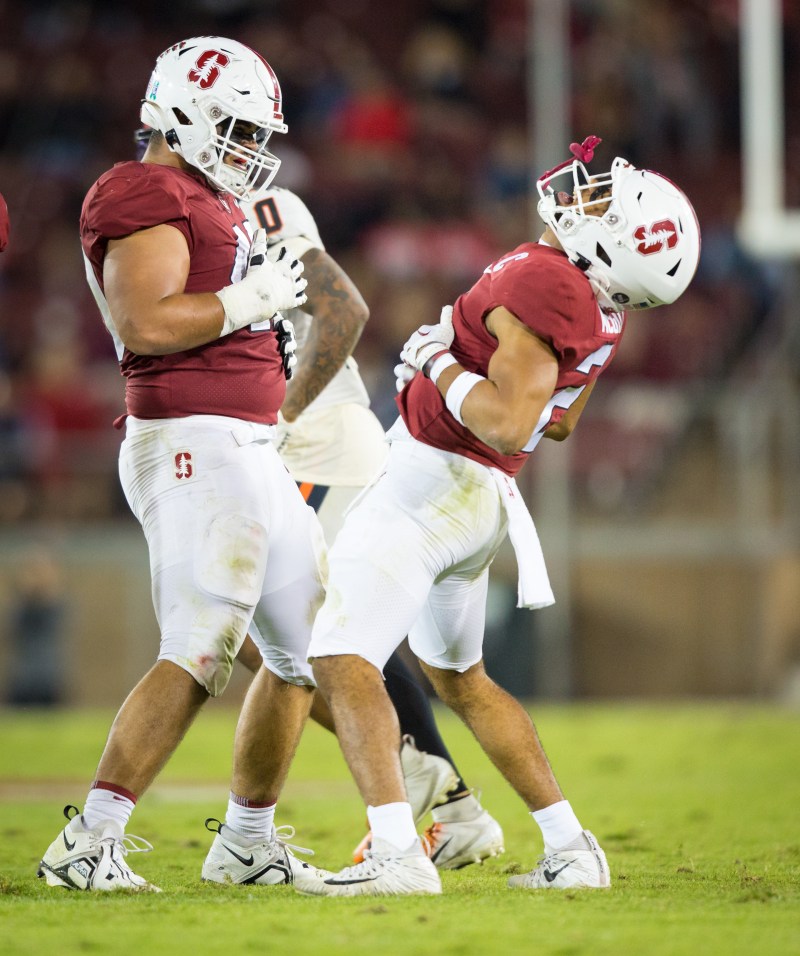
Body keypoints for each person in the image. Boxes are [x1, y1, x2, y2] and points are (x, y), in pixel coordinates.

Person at [304, 136, 702, 896]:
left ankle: (396, 851)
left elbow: (513, 422)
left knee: (341, 655)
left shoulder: (547, 280)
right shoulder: (601, 307)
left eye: (604, 206)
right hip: (476, 500)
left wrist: (437, 360)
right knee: (464, 681)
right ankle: (571, 846)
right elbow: (560, 423)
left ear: (606, 247)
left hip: (434, 484)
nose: (589, 195)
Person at [38, 36, 332, 894]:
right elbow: (147, 323)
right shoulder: (143, 188)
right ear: (179, 112)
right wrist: (250, 299)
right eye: (235, 127)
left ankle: (246, 841)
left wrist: (257, 325)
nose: (249, 149)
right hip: (193, 441)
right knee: (202, 646)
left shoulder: (211, 199)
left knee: (306, 655)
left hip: (249, 445)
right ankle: (88, 843)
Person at [231, 182, 504, 870]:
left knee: (312, 633)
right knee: (273, 636)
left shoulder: (257, 207)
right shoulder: (182, 216)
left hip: (319, 444)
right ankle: (447, 802)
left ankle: (426, 784)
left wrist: (283, 418)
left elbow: (341, 310)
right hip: (290, 446)